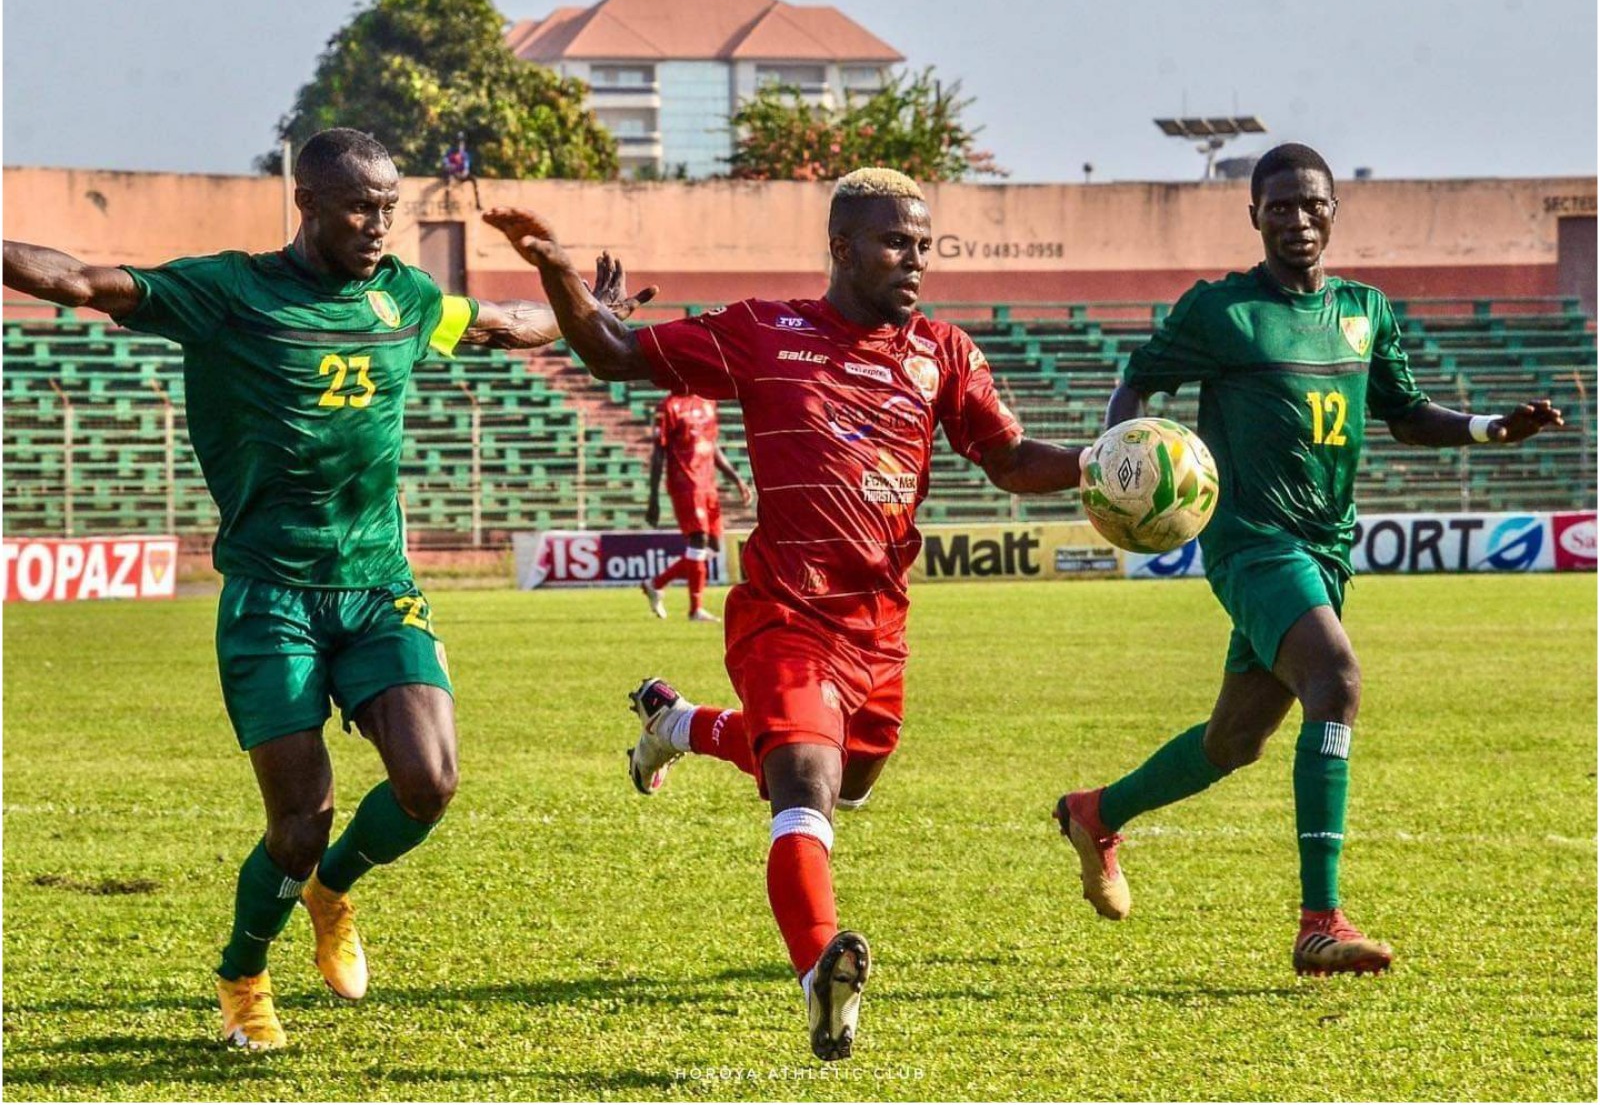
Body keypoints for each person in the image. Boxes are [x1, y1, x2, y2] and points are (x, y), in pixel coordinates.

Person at [1, 128, 651, 1051]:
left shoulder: (404, 297)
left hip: (378, 586)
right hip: (273, 597)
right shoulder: (230, 292)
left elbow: (505, 326)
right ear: (306, 203)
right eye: (357, 207)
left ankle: (333, 889)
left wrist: (587, 306)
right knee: (298, 823)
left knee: (429, 782)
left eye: (388, 207)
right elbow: (81, 281)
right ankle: (243, 973)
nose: (378, 224)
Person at [482, 169, 1090, 1062]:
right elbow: (612, 351)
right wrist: (557, 272)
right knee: (805, 785)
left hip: (878, 628)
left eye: (924, 244)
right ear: (842, 246)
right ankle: (820, 972)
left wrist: (1099, 463)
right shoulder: (766, 332)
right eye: (895, 241)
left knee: (846, 780)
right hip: (785, 612)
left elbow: (1010, 459)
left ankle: (678, 724)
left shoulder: (944, 353)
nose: (915, 259)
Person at [1053, 143, 1564, 977]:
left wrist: (1486, 427)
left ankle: (1095, 812)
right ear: (1254, 215)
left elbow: (1405, 412)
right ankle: (1319, 921)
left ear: (1334, 210)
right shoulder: (1222, 310)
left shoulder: (1365, 310)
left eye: (1312, 203)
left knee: (1234, 740)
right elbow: (1138, 380)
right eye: (1280, 205)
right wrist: (1123, 466)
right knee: (1338, 679)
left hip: (1327, 546)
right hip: (1251, 542)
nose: (1298, 218)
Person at [641, 390, 751, 622]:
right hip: (685, 484)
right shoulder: (668, 406)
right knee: (698, 541)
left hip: (708, 484)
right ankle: (696, 610)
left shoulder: (707, 400)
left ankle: (656, 584)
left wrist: (736, 479)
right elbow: (658, 453)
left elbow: (711, 445)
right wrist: (653, 497)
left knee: (713, 548)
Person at [442, 134, 481, 209]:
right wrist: (449, 166)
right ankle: (446, 203)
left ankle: (478, 203)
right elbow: (446, 161)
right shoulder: (451, 152)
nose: (460, 144)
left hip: (462, 174)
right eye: (458, 142)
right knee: (449, 181)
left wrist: (465, 171)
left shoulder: (464, 154)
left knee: (474, 179)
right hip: (454, 173)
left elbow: (466, 163)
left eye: (461, 142)